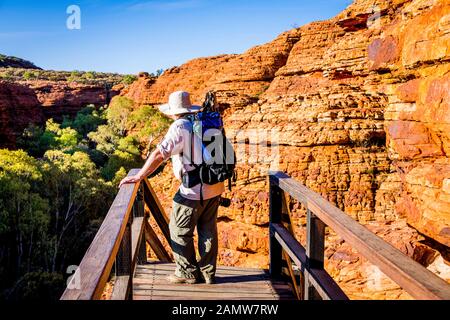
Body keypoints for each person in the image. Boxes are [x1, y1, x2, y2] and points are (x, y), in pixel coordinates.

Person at [119, 91, 224, 284]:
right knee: (207, 230)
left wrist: (139, 175)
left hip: (194, 190)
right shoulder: (203, 121)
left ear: (174, 111)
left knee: (178, 230)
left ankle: (187, 272)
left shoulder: (180, 126)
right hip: (215, 186)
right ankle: (208, 274)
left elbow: (160, 154)